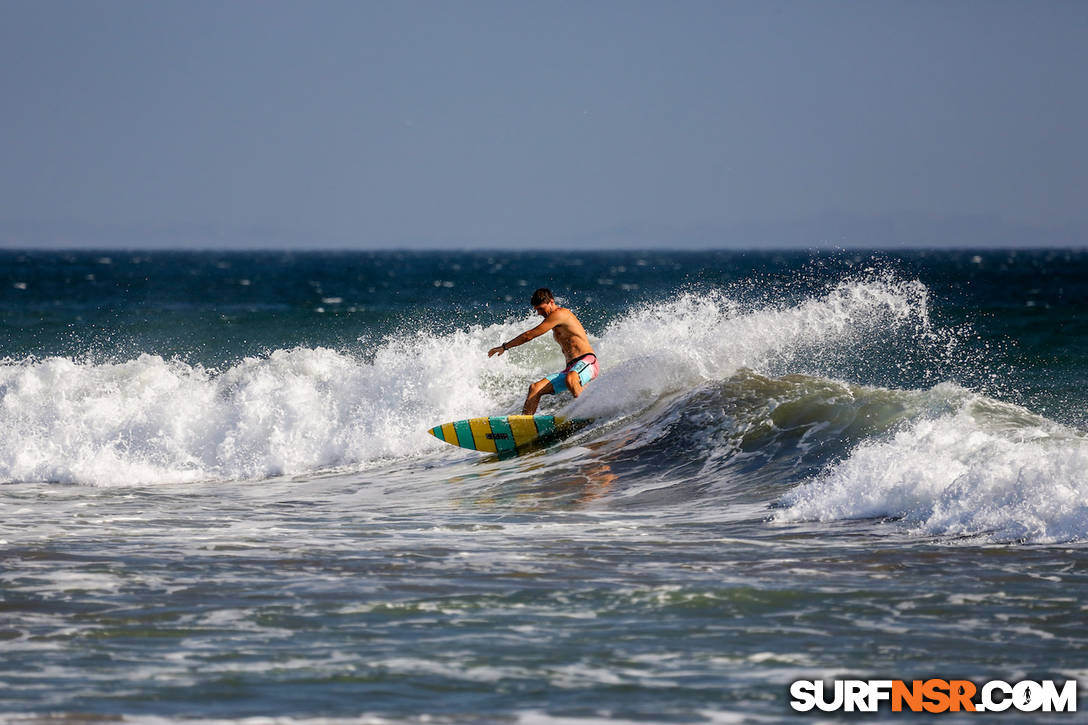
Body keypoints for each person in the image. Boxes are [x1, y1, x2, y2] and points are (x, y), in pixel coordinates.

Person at [488, 288, 599, 415]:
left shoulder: (560, 314)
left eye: (541, 308)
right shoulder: (554, 319)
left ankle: (587, 414)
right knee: (535, 388)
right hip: (571, 368)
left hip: (587, 361)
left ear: (551, 302)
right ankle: (524, 426)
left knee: (571, 378)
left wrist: (504, 347)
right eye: (537, 310)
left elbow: (529, 335)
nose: (539, 313)